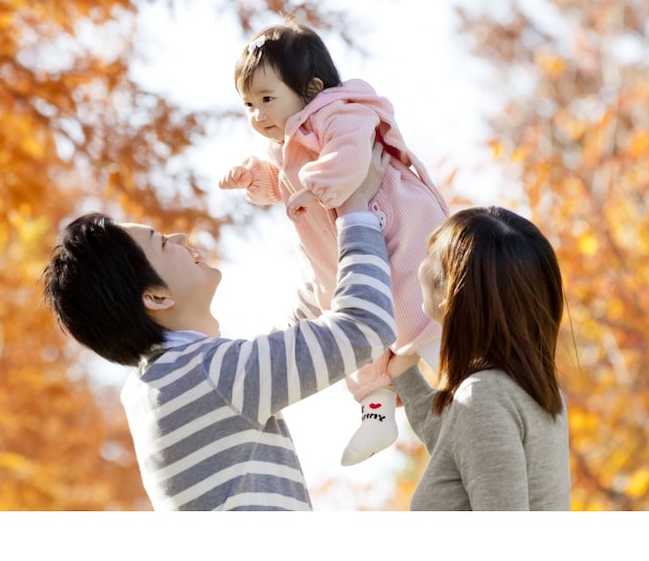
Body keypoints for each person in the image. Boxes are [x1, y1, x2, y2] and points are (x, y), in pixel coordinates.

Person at [42, 146, 396, 511]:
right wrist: (355, 209)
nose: (179, 238)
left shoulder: (160, 383)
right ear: (157, 297)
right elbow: (365, 325)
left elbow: (289, 338)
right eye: (162, 243)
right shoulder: (210, 374)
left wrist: (320, 240)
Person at [218, 19, 449, 465]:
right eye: (248, 104)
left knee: (414, 308)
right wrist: (253, 178)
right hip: (343, 250)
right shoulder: (282, 145)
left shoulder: (339, 111)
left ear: (312, 88)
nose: (258, 115)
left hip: (397, 225)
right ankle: (377, 415)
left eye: (267, 99)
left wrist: (316, 185)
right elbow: (280, 184)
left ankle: (456, 369)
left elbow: (350, 154)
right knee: (357, 335)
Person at [387, 206, 572, 510]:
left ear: (449, 290)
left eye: (431, 253)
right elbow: (465, 449)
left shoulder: (483, 396)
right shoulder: (529, 390)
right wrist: (405, 375)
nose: (420, 263)